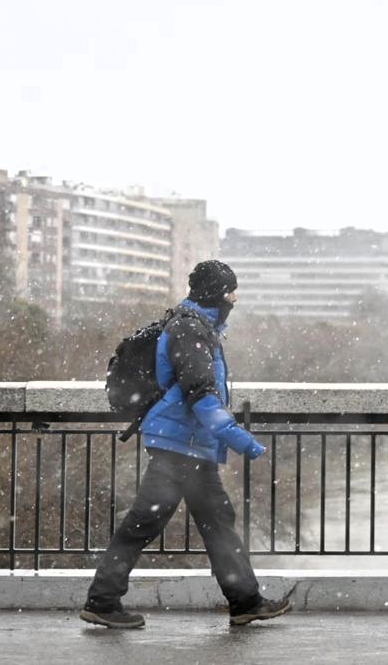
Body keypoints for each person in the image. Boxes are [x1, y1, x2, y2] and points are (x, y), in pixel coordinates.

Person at [80, 260, 292, 629]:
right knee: (145, 522)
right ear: (216, 293)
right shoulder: (190, 329)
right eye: (231, 291)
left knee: (216, 520)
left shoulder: (195, 326)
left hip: (189, 445)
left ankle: (245, 601)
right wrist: (242, 441)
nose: (235, 299)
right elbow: (201, 396)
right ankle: (102, 601)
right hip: (179, 445)